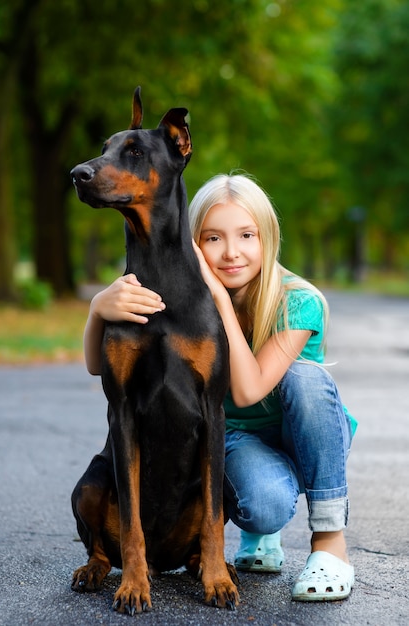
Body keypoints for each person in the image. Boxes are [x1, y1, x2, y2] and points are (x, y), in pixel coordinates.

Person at [83, 173, 357, 602]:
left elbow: (246, 391)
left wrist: (220, 301)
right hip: (235, 442)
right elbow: (100, 366)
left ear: (267, 238)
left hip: (303, 438)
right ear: (192, 243)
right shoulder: (183, 300)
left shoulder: (299, 302)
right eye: (213, 238)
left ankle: (330, 545)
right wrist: (98, 308)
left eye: (246, 235)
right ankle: (260, 533)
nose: (231, 252)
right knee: (263, 506)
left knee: (308, 378)